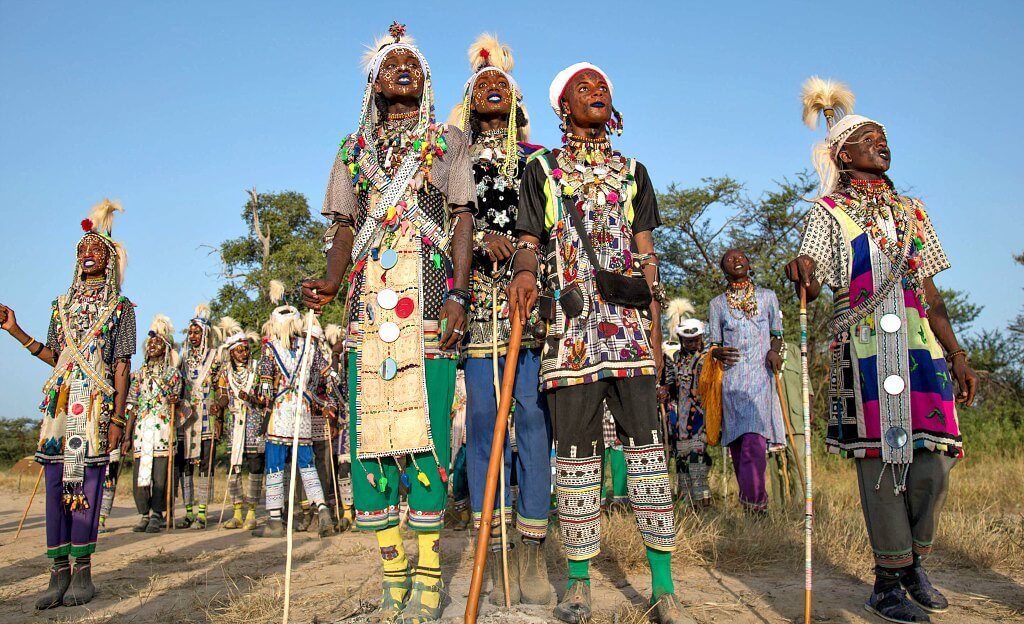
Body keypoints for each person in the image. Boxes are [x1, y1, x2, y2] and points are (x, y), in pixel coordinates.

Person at [787, 77, 978, 624]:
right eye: (869, 136)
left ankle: (916, 562)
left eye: (884, 136)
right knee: (881, 462)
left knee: (933, 462)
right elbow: (815, 280)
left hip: (922, 349)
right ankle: (886, 582)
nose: (881, 142)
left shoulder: (913, 210)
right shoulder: (826, 213)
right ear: (844, 153)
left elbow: (932, 293)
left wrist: (958, 354)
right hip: (867, 351)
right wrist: (799, 273)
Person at [301, 22, 474, 624]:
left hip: (428, 301)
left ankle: (429, 575)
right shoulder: (352, 148)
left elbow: (459, 221)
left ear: (425, 79)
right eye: (389, 63)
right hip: (366, 311)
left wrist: (457, 293)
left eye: (412, 62)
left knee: (426, 434)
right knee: (371, 441)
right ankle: (391, 574)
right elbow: (343, 231)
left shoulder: (448, 141)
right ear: (373, 84)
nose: (402, 67)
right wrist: (330, 278)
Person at [508, 62, 692, 624]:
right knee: (577, 459)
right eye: (582, 88)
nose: (597, 93)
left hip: (632, 334)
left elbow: (647, 257)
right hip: (572, 337)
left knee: (647, 458)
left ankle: (664, 588)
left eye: (603, 87)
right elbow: (530, 240)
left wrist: (657, 339)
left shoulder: (634, 171)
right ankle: (581, 585)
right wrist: (523, 271)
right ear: (562, 106)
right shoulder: (541, 167)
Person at [449, 32, 552, 607]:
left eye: (501, 84)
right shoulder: (451, 161)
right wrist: (470, 244)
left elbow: (553, 227)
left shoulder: (538, 161)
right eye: (481, 84)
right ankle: (489, 549)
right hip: (476, 310)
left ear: (516, 101)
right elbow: (438, 226)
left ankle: (534, 549)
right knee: (485, 422)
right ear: (467, 101)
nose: (492, 87)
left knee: (534, 420)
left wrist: (518, 251)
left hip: (528, 308)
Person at [0, 200, 136, 609]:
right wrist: (15, 330)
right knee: (57, 485)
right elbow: (56, 355)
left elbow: (122, 367)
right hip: (58, 408)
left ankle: (83, 572)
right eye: (81, 250)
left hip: (94, 407)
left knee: (86, 486)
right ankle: (56, 572)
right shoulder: (60, 306)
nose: (88, 254)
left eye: (96, 250)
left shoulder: (121, 308)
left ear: (110, 261)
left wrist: (117, 418)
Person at [253, 281, 336, 538]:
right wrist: (328, 402)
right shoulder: (310, 348)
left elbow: (265, 389)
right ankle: (323, 511)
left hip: (280, 413)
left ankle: (275, 520)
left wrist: (260, 402)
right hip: (302, 411)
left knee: (276, 464)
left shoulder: (270, 349)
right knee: (306, 464)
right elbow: (329, 376)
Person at [706, 249, 786, 513]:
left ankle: (756, 505)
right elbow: (713, 344)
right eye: (729, 259)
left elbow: (777, 333)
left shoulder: (767, 297)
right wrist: (716, 352)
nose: (736, 260)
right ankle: (751, 506)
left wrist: (774, 350)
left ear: (749, 263)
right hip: (732, 382)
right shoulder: (717, 304)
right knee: (739, 448)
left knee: (754, 442)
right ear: (723, 269)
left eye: (740, 257)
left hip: (760, 380)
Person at [124, 314, 182, 533]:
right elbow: (132, 405)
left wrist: (175, 400)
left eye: (158, 342)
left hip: (163, 429)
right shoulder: (138, 375)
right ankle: (143, 514)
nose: (153, 346)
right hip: (141, 430)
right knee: (140, 474)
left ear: (166, 348)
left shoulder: (173, 374)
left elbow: (179, 402)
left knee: (160, 475)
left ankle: (157, 513)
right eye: (150, 342)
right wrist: (127, 436)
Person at [214, 317, 264, 530]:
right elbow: (224, 395)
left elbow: (265, 397)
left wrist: (251, 398)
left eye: (245, 350)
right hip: (235, 422)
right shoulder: (225, 372)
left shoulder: (258, 368)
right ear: (231, 353)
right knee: (234, 465)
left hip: (254, 421)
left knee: (254, 464)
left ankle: (252, 511)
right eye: (239, 351)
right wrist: (219, 406)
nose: (243, 354)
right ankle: (236, 512)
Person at [175, 304, 221, 529]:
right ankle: (188, 512)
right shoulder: (182, 358)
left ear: (205, 335)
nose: (193, 336)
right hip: (186, 419)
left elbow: (221, 387)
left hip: (206, 418)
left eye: (197, 332)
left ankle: (202, 512)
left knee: (204, 464)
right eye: (190, 332)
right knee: (185, 465)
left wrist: (219, 416)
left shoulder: (215, 357)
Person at [668, 314, 714, 508]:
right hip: (681, 416)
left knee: (698, 456)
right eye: (688, 341)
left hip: (700, 416)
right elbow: (671, 382)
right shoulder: (676, 357)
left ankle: (701, 499)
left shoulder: (708, 358)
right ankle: (686, 500)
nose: (692, 343)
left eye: (695, 340)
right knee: (682, 457)